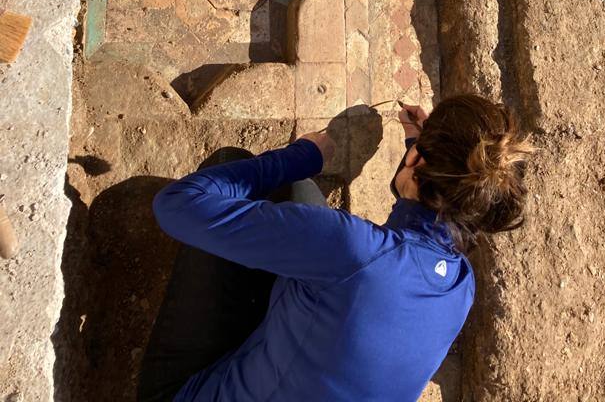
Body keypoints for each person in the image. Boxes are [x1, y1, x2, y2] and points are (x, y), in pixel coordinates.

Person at [137, 94, 533, 401]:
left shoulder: (348, 248)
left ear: (416, 163)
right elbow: (415, 236)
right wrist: (420, 152)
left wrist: (300, 156)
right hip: (317, 353)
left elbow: (175, 207)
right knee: (300, 196)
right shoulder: (460, 290)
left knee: (241, 167)